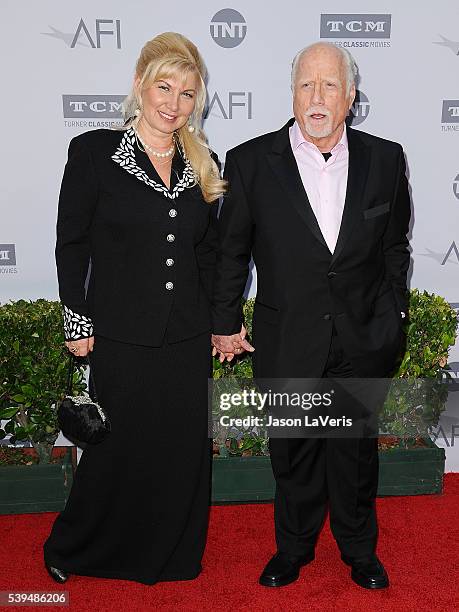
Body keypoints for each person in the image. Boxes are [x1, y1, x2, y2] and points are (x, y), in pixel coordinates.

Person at [211, 42, 410, 589]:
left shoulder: (386, 158)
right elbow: (233, 252)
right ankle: (293, 549)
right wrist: (225, 320)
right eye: (306, 85)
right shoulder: (251, 161)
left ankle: (359, 551)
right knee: (293, 453)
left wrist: (394, 314)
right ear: (292, 92)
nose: (316, 97)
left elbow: (396, 247)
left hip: (361, 335)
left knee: (354, 455)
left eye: (329, 86)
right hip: (288, 334)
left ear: (350, 96)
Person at [43, 32, 225, 586]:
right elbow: (71, 242)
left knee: (179, 452)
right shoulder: (95, 152)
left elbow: (210, 254)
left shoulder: (203, 162)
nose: (173, 103)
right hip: (121, 334)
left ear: (198, 100)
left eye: (187, 93)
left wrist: (223, 322)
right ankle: (72, 547)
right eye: (163, 87)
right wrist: (77, 317)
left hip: (187, 337)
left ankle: (170, 555)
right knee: (113, 449)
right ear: (140, 86)